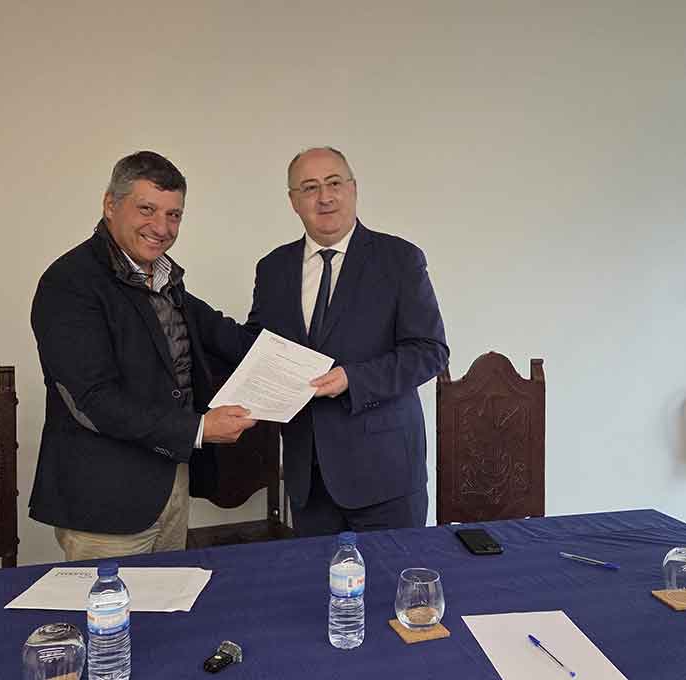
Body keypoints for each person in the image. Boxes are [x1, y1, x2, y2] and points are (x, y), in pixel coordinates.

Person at [30, 151, 255, 560]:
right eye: (147, 209)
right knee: (109, 605)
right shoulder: (69, 284)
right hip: (105, 502)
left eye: (174, 215)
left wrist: (314, 362)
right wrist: (199, 429)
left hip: (172, 485)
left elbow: (232, 340)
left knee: (169, 599)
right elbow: (93, 401)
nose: (162, 228)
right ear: (110, 205)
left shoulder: (167, 281)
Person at [246, 147, 449, 536]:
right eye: (310, 187)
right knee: (316, 576)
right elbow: (259, 346)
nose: (325, 197)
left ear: (353, 189)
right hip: (309, 480)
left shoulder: (400, 259)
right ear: (293, 201)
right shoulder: (272, 268)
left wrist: (352, 379)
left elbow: (430, 352)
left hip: (386, 476)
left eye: (334, 183)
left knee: (393, 575)